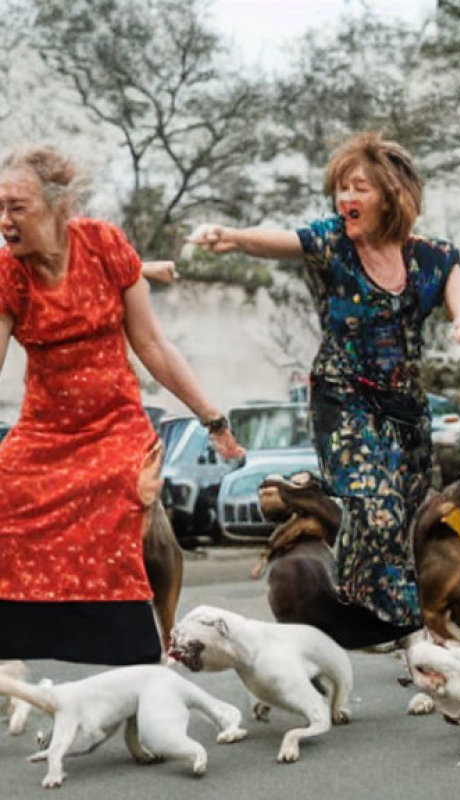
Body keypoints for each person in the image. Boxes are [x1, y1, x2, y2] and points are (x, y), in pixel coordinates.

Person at [188, 131, 460, 650]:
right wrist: (232, 236)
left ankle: (394, 624)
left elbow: (455, 280)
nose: (347, 198)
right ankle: (381, 619)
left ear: (392, 194)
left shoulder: (429, 257)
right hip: (344, 399)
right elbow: (283, 240)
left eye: (360, 187)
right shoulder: (333, 245)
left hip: (405, 410)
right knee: (373, 502)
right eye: (342, 188)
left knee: (403, 519)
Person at [0, 145, 243, 665]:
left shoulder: (105, 246)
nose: (5, 221)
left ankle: (137, 651)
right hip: (44, 432)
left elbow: (153, 347)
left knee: (117, 494)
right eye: (0, 208)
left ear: (57, 205)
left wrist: (212, 418)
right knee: (7, 492)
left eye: (17, 207)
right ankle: (21, 640)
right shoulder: (9, 274)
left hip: (116, 427)